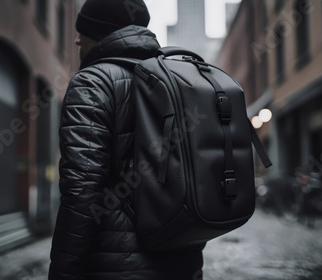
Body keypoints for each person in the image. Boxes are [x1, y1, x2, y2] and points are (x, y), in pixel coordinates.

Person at [48, 0, 204, 279]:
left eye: (82, 30)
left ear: (101, 32)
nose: (75, 39)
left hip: (116, 267)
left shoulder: (92, 82)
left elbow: (81, 193)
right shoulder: (176, 80)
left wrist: (62, 272)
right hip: (184, 261)